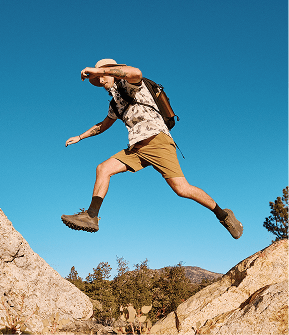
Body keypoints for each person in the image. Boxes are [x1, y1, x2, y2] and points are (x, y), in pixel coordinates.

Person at [61, 58, 243, 239]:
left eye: (103, 76)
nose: (100, 81)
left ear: (111, 72)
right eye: (97, 79)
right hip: (136, 148)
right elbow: (103, 125)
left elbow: (137, 73)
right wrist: (80, 137)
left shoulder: (129, 84)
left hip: (157, 141)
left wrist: (100, 70)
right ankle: (91, 216)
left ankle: (223, 215)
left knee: (182, 189)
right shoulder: (115, 103)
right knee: (103, 168)